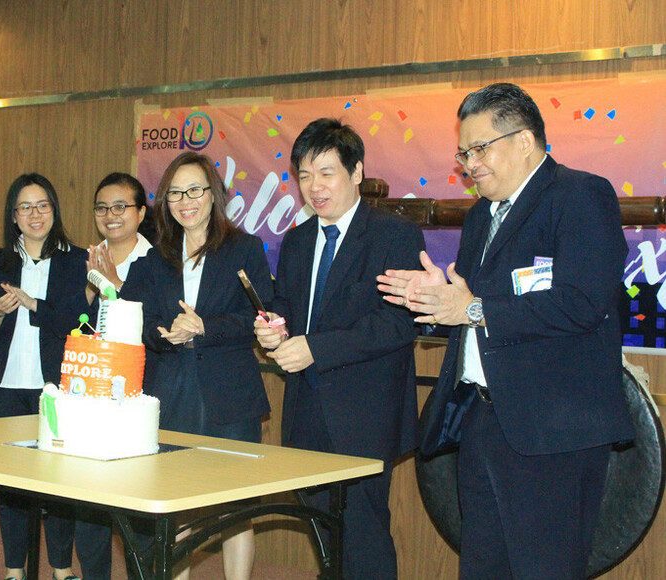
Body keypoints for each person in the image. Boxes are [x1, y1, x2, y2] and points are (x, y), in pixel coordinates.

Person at [377, 83, 635, 579]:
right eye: (463, 152)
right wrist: (436, 298)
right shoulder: (480, 216)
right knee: (482, 567)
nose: (469, 163)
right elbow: (472, 305)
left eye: (480, 148)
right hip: (484, 420)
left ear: (525, 140)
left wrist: (472, 308)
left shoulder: (580, 195)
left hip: (553, 431)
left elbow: (583, 303)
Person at [254, 118, 424, 579]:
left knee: (364, 538)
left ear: (357, 172)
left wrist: (315, 349)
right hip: (306, 409)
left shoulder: (394, 236)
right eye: (304, 176)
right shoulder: (297, 239)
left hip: (364, 413)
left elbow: (396, 324)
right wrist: (272, 331)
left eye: (326, 173)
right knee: (325, 535)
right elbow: (285, 307)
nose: (314, 187)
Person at [124, 152, 272, 580]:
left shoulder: (244, 249)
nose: (185, 200)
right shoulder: (153, 259)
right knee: (176, 502)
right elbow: (137, 319)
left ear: (213, 195)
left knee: (237, 505)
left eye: (194, 190)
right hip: (171, 389)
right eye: (175, 193)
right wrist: (163, 333)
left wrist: (205, 327)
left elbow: (259, 316)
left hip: (229, 392)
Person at [0, 173, 110, 580]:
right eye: (25, 207)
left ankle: (61, 569)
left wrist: (32, 303)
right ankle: (15, 571)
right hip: (3, 389)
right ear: (13, 216)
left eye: (43, 206)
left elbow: (76, 321)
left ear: (54, 210)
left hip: (56, 388)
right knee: (11, 488)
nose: (35, 214)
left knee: (58, 486)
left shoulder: (74, 261)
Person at [86, 172, 152, 303]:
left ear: (141, 213)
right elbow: (66, 320)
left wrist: (115, 283)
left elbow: (155, 317)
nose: (110, 216)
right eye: (101, 208)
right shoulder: (83, 260)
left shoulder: (156, 265)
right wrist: (90, 289)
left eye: (119, 207)